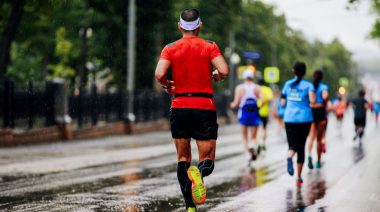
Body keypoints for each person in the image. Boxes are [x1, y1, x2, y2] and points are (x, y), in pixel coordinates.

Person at [154, 8, 228, 212]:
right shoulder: (209, 46)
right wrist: (216, 75)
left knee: (182, 158)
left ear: (179, 26)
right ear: (199, 26)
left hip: (180, 106)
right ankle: (199, 173)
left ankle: (189, 207)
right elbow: (224, 70)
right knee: (208, 160)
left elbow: (159, 73)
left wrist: (167, 83)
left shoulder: (170, 48)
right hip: (203, 106)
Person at [281, 61, 315, 186]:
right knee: (301, 147)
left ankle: (290, 156)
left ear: (293, 71)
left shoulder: (287, 84)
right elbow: (312, 100)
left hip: (289, 118)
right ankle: (299, 178)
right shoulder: (308, 85)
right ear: (305, 72)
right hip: (304, 118)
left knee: (292, 145)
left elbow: (283, 102)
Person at [230, 70, 263, 162]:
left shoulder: (239, 88)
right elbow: (263, 100)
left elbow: (236, 103)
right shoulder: (257, 87)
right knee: (253, 136)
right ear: (252, 77)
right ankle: (252, 145)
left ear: (244, 77)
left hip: (243, 113)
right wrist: (259, 107)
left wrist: (232, 105)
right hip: (254, 112)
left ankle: (247, 154)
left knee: (244, 136)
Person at [307, 70, 329, 170]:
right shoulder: (324, 87)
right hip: (320, 112)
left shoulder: (309, 87)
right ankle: (318, 162)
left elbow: (309, 99)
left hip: (311, 111)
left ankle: (309, 155)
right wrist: (325, 101)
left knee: (311, 137)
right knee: (319, 139)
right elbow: (325, 97)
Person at [257, 78, 274, 153]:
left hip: (256, 110)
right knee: (264, 128)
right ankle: (263, 143)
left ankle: (257, 143)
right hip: (265, 111)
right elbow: (271, 99)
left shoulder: (256, 89)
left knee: (257, 128)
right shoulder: (268, 89)